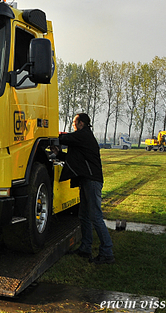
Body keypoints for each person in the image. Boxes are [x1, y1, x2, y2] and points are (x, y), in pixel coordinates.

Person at [51, 113, 115, 265]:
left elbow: (65, 138)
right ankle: (85, 248)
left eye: (74, 122)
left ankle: (107, 252)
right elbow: (75, 159)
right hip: (86, 180)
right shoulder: (81, 138)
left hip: (92, 181)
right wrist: (58, 154)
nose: (73, 125)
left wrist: (47, 135)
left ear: (81, 123)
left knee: (95, 216)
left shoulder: (83, 134)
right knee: (84, 215)